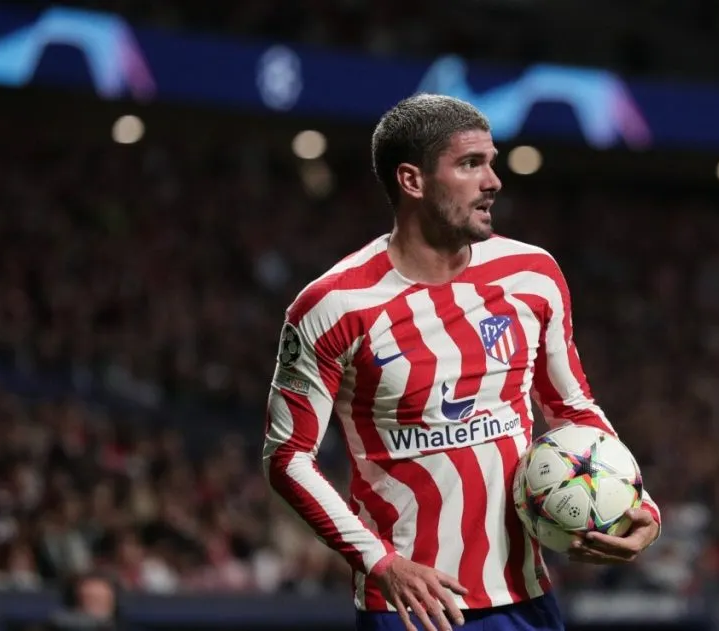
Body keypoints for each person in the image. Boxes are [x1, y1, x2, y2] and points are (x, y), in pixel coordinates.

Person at [262, 94, 661, 631]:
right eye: (471, 164)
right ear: (412, 180)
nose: (493, 180)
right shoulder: (333, 307)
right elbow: (287, 458)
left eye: (491, 163)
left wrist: (636, 505)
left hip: (526, 598)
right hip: (412, 608)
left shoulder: (532, 274)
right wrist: (380, 564)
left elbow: (572, 410)